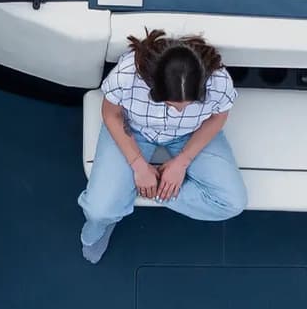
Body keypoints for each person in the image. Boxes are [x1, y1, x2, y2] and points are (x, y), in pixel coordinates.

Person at [78, 29, 247, 262]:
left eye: (188, 104)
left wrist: (182, 162)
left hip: (190, 132)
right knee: (98, 211)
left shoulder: (219, 80)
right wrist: (138, 165)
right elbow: (111, 113)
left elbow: (218, 117)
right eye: (171, 104)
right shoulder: (127, 73)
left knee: (232, 203)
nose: (179, 111)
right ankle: (111, 212)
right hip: (135, 129)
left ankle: (138, 191)